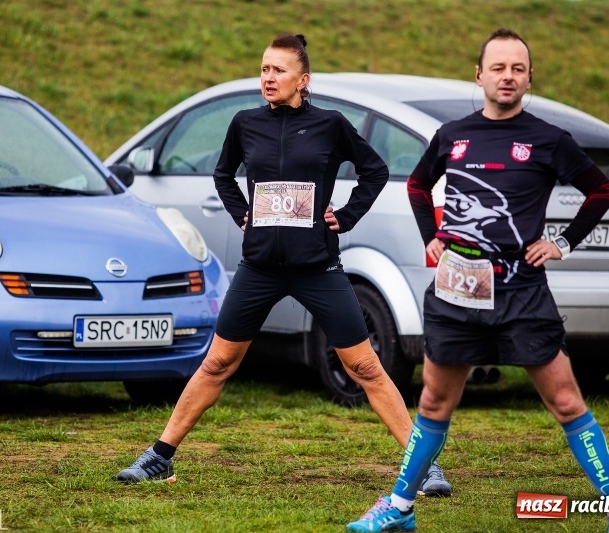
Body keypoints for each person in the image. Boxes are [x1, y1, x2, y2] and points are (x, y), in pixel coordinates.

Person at [115, 32, 452, 496]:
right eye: (264, 69)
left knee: (367, 368)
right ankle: (159, 457)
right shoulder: (244, 123)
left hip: (318, 267)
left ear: (303, 79)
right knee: (217, 364)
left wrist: (347, 215)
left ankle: (425, 467)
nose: (268, 78)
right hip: (259, 268)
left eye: (278, 70)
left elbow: (374, 171)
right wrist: (242, 215)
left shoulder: (331, 125)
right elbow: (222, 174)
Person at [347, 28, 609, 533]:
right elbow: (417, 183)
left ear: (529, 78)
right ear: (478, 75)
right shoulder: (453, 135)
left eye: (518, 68)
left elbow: (602, 192)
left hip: (522, 290)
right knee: (435, 402)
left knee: (566, 401)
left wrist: (562, 243)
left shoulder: (548, 139)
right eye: (498, 67)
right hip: (458, 288)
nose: (508, 76)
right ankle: (399, 507)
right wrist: (432, 237)